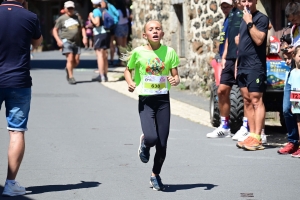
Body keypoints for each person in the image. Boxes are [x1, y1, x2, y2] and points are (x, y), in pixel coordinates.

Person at [124, 20, 180, 191]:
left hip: (163, 100)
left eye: (158, 29)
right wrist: (130, 82)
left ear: (162, 34)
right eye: (151, 29)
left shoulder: (169, 52)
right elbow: (128, 69)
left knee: (162, 144)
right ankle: (145, 143)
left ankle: (155, 175)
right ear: (145, 35)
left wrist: (175, 80)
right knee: (152, 138)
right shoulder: (138, 52)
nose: (155, 31)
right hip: (146, 101)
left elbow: (176, 76)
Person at [0, 0, 43, 196]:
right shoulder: (30, 17)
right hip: (19, 81)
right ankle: (10, 185)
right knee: (16, 132)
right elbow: (37, 42)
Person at [235, 0, 269, 151]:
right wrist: (237, 64)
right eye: (244, 1)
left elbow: (259, 39)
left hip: (255, 66)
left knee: (256, 100)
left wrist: (249, 22)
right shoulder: (243, 18)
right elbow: (241, 44)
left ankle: (257, 136)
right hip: (242, 66)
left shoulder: (261, 18)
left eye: (249, 0)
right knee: (247, 101)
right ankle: (251, 134)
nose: (247, 3)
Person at [206, 0, 243, 138]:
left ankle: (247, 127)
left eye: (227, 6)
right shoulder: (230, 17)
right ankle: (224, 126)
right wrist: (224, 55)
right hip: (227, 58)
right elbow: (227, 38)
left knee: (244, 93)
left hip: (239, 57)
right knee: (221, 90)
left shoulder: (242, 15)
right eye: (222, 7)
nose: (224, 9)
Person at [278, 1, 300, 154]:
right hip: (293, 71)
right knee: (287, 108)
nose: (293, 22)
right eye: (291, 20)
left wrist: (295, 49)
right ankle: (293, 141)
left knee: (299, 111)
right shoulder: (293, 29)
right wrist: (287, 51)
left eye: (295, 19)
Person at [52, 1, 87, 85]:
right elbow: (54, 30)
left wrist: (84, 37)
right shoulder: (62, 18)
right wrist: (58, 40)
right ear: (65, 9)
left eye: (72, 8)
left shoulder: (77, 17)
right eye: (68, 8)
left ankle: (68, 68)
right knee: (70, 58)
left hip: (77, 42)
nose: (70, 10)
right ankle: (71, 77)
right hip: (66, 41)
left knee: (76, 61)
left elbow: (82, 28)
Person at [90, 0, 111, 82]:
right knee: (105, 55)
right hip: (107, 33)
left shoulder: (95, 11)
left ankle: (101, 75)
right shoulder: (105, 10)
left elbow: (97, 23)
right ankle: (105, 75)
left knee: (99, 55)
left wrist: (91, 16)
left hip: (99, 34)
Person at [287, 45, 300, 157]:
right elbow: (292, 88)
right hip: (296, 101)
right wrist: (293, 104)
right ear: (294, 56)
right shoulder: (293, 72)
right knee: (298, 123)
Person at [115, 0, 130, 65]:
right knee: (124, 45)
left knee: (120, 46)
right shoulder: (126, 10)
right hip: (126, 27)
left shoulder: (117, 11)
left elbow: (115, 20)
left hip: (119, 27)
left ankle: (121, 61)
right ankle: (125, 60)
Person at [105, 0, 119, 66]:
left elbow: (117, 14)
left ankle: (111, 59)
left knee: (111, 44)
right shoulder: (105, 8)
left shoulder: (110, 6)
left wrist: (115, 22)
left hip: (110, 27)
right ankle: (108, 60)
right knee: (109, 44)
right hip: (107, 27)